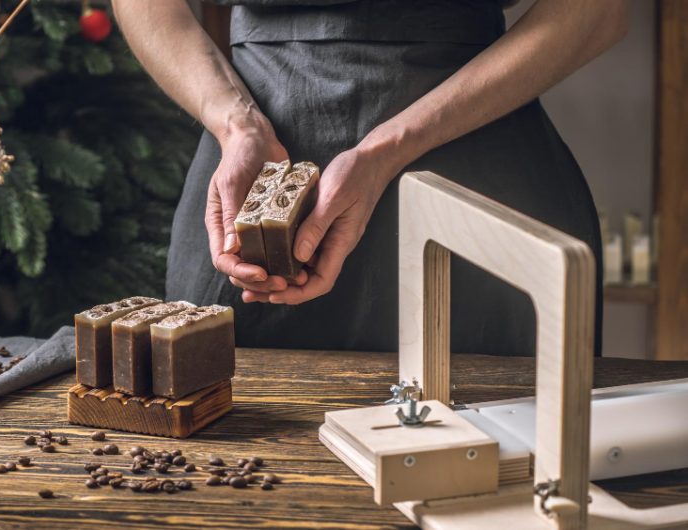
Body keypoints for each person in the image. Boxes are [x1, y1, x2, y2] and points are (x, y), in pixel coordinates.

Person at [111, 0, 627, 355]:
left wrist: (388, 148)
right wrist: (235, 122)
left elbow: (599, 10)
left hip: (474, 172)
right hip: (247, 177)